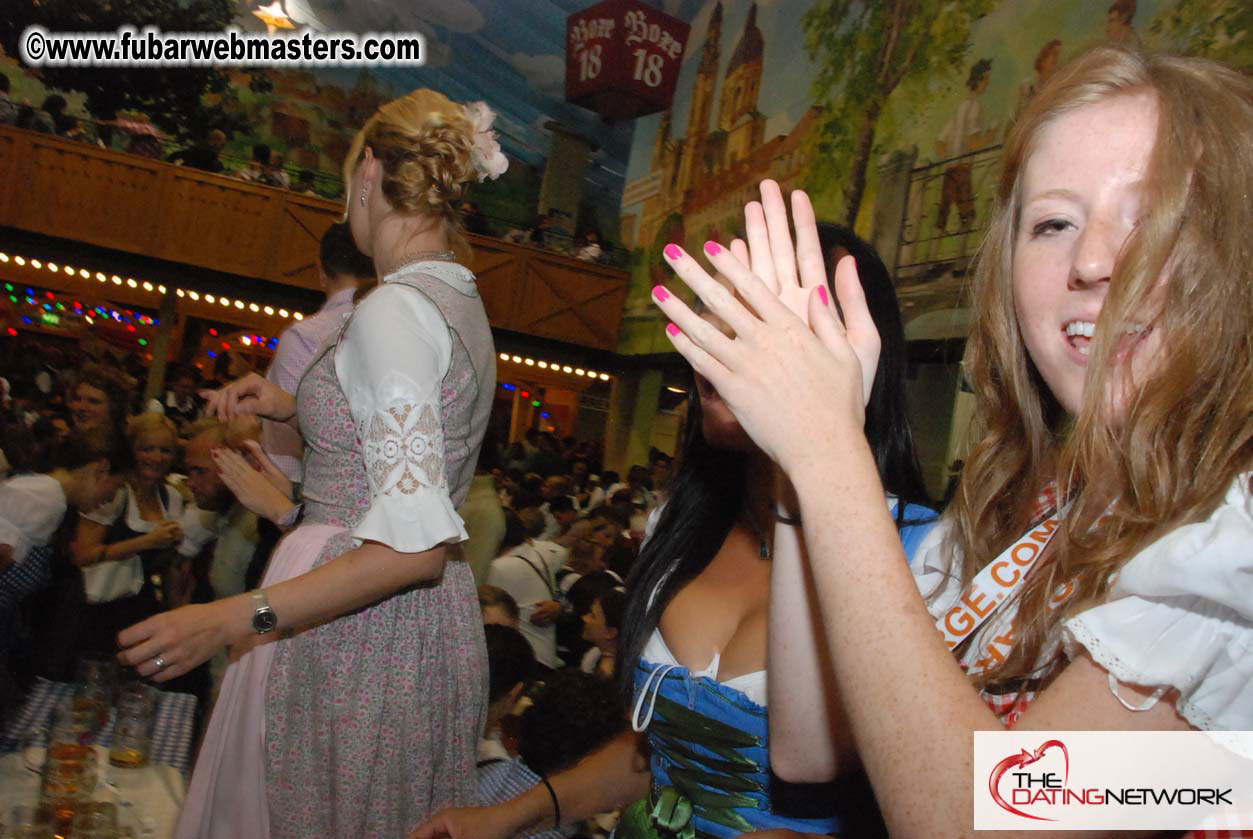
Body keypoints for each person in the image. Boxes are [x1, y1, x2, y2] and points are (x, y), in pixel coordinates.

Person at [648, 46, 1253, 835]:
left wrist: (830, 452)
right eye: (1053, 222)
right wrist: (802, 458)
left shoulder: (1228, 548)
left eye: (1151, 214)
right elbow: (805, 750)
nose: (1094, 260)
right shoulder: (1037, 503)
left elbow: (980, 821)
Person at [413, 192, 936, 839]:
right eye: (727, 306)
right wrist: (508, 812)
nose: (734, 335)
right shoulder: (678, 527)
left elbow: (970, 798)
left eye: (780, 313)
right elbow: (654, 754)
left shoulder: (924, 554)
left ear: (859, 350)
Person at [117, 88, 508, 839]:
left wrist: (233, 615)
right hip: (421, 624)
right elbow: (416, 442)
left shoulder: (393, 307)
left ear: (369, 171)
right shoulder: (457, 296)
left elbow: (411, 546)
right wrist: (295, 405)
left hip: (351, 619)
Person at [262, 220, 376, 484]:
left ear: (321, 271)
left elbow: (284, 443)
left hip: (310, 493)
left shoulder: (304, 338)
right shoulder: (395, 330)